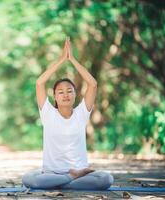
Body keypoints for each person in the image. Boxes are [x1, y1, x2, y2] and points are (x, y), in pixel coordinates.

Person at [22, 37, 114, 190]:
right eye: (60, 92)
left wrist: (72, 59)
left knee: (106, 179)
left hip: (81, 171)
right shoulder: (48, 113)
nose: (65, 94)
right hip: (52, 173)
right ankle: (70, 179)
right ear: (55, 97)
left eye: (69, 91)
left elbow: (93, 84)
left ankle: (62, 182)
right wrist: (61, 60)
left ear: (75, 94)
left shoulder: (81, 113)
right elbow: (39, 83)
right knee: (30, 180)